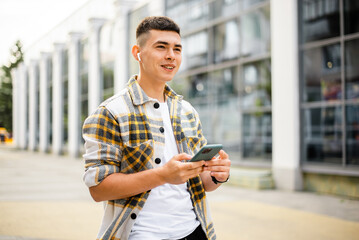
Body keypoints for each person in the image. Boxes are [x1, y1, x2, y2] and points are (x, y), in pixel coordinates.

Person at [82, 16, 231, 240]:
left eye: (177, 49)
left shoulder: (187, 111)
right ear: (137, 53)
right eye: (161, 47)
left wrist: (217, 175)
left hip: (195, 231)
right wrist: (162, 175)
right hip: (141, 235)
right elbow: (98, 188)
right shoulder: (110, 113)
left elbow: (201, 183)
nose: (171, 55)